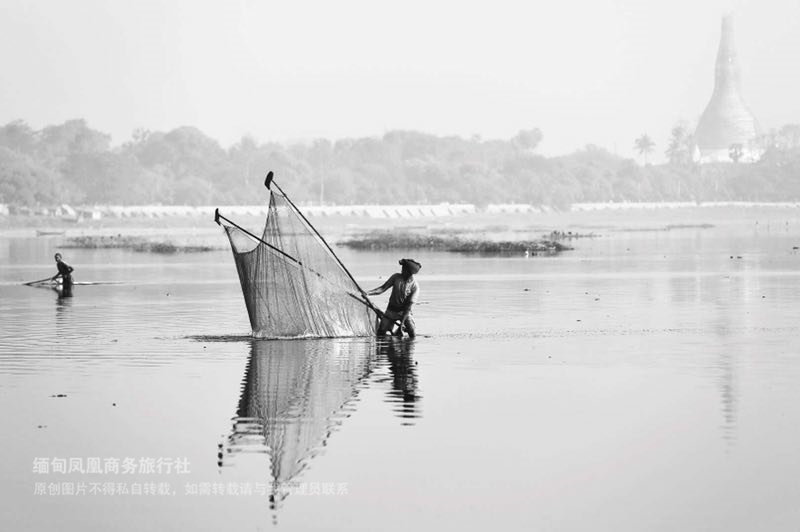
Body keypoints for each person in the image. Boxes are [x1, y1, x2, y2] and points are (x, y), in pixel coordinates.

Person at [367, 258, 421, 338]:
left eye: (404, 269)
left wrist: (401, 324)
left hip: (405, 313)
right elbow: (382, 288)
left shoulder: (415, 286)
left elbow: (408, 307)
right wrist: (368, 293)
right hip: (391, 310)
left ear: (409, 272)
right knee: (380, 333)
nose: (402, 270)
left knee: (412, 334)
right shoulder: (396, 277)